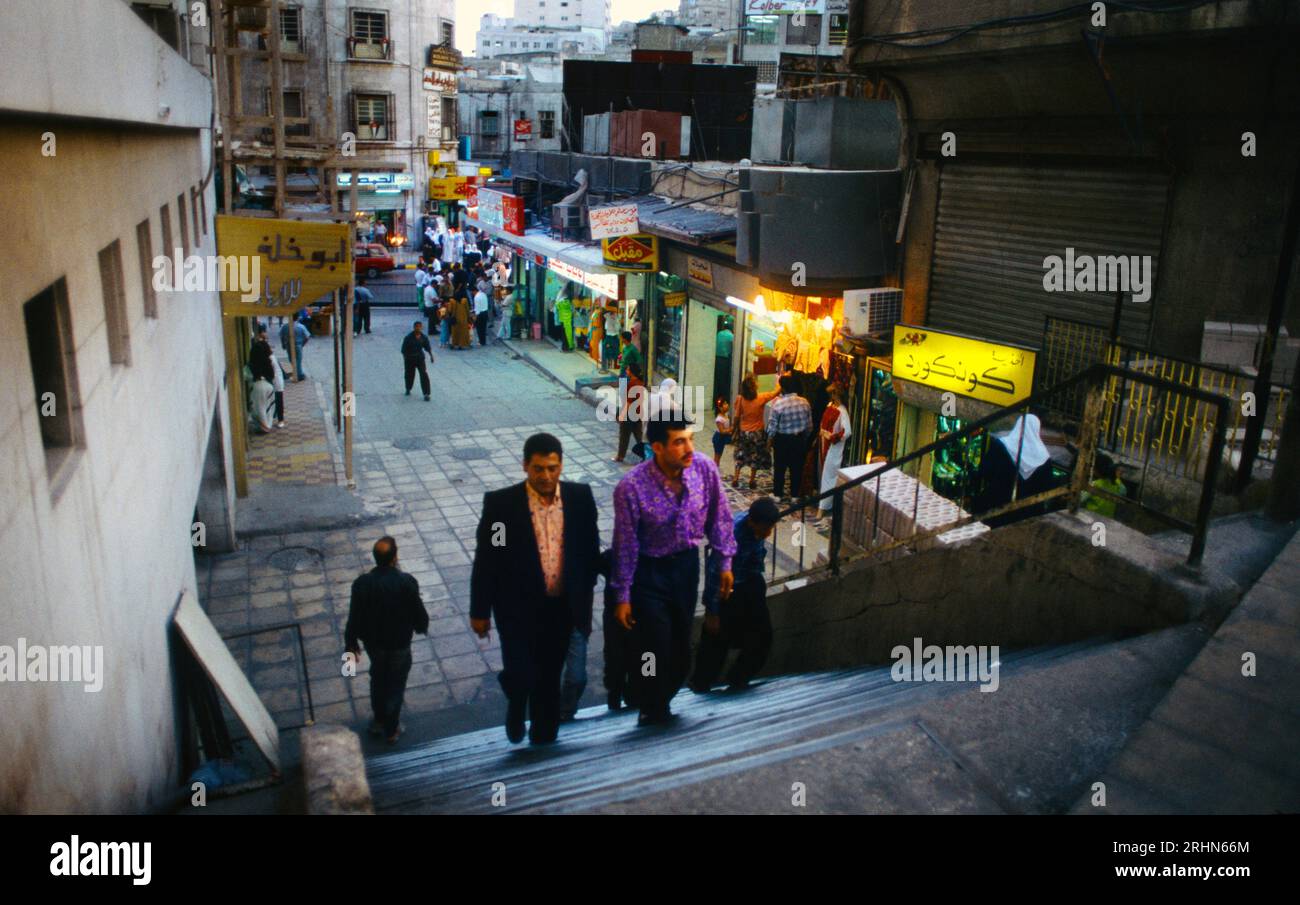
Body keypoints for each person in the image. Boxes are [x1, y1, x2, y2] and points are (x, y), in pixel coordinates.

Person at [471, 433, 602, 745]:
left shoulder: (580, 498)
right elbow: (488, 558)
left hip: (560, 609)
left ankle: (544, 736)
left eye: (553, 468)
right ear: (525, 466)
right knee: (520, 674)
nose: (547, 476)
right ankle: (517, 705)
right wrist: (480, 610)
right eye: (539, 469)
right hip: (516, 611)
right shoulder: (502, 506)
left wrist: (584, 591)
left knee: (548, 678)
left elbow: (589, 549)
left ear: (561, 466)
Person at [611, 409, 737, 726]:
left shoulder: (704, 470)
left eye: (690, 440)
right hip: (648, 572)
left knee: (681, 649)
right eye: (679, 442)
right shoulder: (631, 488)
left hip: (685, 567)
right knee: (656, 643)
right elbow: (625, 544)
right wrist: (622, 595)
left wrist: (724, 562)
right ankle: (651, 707)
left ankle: (659, 696)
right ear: (657, 447)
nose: (690, 449)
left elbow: (719, 518)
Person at [690, 497, 781, 694]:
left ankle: (739, 678)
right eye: (765, 528)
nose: (768, 533)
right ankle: (701, 683)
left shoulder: (757, 532)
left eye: (770, 528)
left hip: (750, 582)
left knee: (762, 636)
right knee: (716, 640)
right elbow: (714, 574)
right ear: (751, 522)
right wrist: (712, 612)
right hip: (727, 591)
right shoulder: (731, 539)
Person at [344, 536, 429, 745]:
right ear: (395, 557)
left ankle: (378, 721)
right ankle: (392, 728)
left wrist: (351, 643)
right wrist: (421, 626)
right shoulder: (407, 582)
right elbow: (418, 612)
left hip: (374, 644)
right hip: (399, 644)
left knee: (378, 679)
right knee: (396, 684)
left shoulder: (362, 584)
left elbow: (354, 616)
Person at [767, 374, 814, 502]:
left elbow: (772, 427)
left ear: (783, 388)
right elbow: (809, 426)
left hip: (782, 439)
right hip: (798, 439)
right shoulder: (805, 402)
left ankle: (778, 494)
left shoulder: (778, 404)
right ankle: (794, 495)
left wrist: (769, 443)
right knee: (797, 467)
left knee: (780, 467)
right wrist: (803, 438)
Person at [731, 376, 778, 489]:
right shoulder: (761, 398)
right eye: (756, 383)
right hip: (757, 433)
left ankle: (736, 478)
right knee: (755, 456)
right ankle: (752, 480)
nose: (758, 383)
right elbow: (775, 392)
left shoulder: (740, 399)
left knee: (740, 455)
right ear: (753, 387)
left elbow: (737, 417)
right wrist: (783, 380)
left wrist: (734, 430)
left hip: (744, 432)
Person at [817, 385, 852, 518]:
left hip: (833, 448)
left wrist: (832, 437)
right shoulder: (830, 405)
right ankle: (825, 503)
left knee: (828, 477)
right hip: (824, 444)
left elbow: (847, 431)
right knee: (824, 474)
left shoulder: (842, 412)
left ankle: (822, 507)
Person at [612, 331, 646, 464]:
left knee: (624, 435)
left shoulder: (632, 384)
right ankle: (646, 455)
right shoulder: (639, 383)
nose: (626, 370)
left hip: (629, 414)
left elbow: (629, 401)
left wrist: (621, 415)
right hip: (637, 413)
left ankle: (620, 456)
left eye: (628, 369)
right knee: (639, 436)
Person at [400, 320, 434, 400]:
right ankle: (408, 388)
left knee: (423, 374)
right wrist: (405, 359)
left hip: (420, 358)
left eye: (419, 327)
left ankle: (426, 393)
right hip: (410, 358)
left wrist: (431, 356)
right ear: (414, 327)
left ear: (421, 328)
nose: (418, 328)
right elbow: (403, 350)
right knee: (409, 374)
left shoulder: (423, 337)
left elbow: (427, 347)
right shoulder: (408, 338)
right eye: (416, 327)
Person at [714, 320, 734, 405]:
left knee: (717, 380)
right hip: (725, 361)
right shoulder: (732, 336)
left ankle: (717, 399)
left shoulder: (719, 333)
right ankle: (723, 401)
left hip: (716, 358)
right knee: (724, 382)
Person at [712, 397, 732, 465]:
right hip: (718, 438)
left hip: (722, 438)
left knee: (719, 456)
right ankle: (714, 471)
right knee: (717, 456)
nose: (727, 405)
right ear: (720, 408)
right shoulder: (719, 419)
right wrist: (731, 429)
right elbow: (722, 431)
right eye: (725, 404)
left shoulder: (726, 415)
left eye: (726, 403)